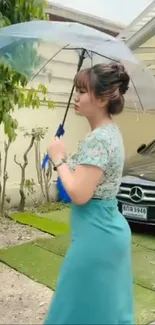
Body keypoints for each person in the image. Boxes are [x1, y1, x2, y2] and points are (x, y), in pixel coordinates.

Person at [44, 63, 134, 324]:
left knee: (72, 311)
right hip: (104, 232)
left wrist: (59, 160)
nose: (77, 97)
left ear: (103, 98)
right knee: (101, 312)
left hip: (97, 238)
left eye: (82, 91)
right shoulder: (108, 132)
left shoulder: (99, 138)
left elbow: (79, 194)